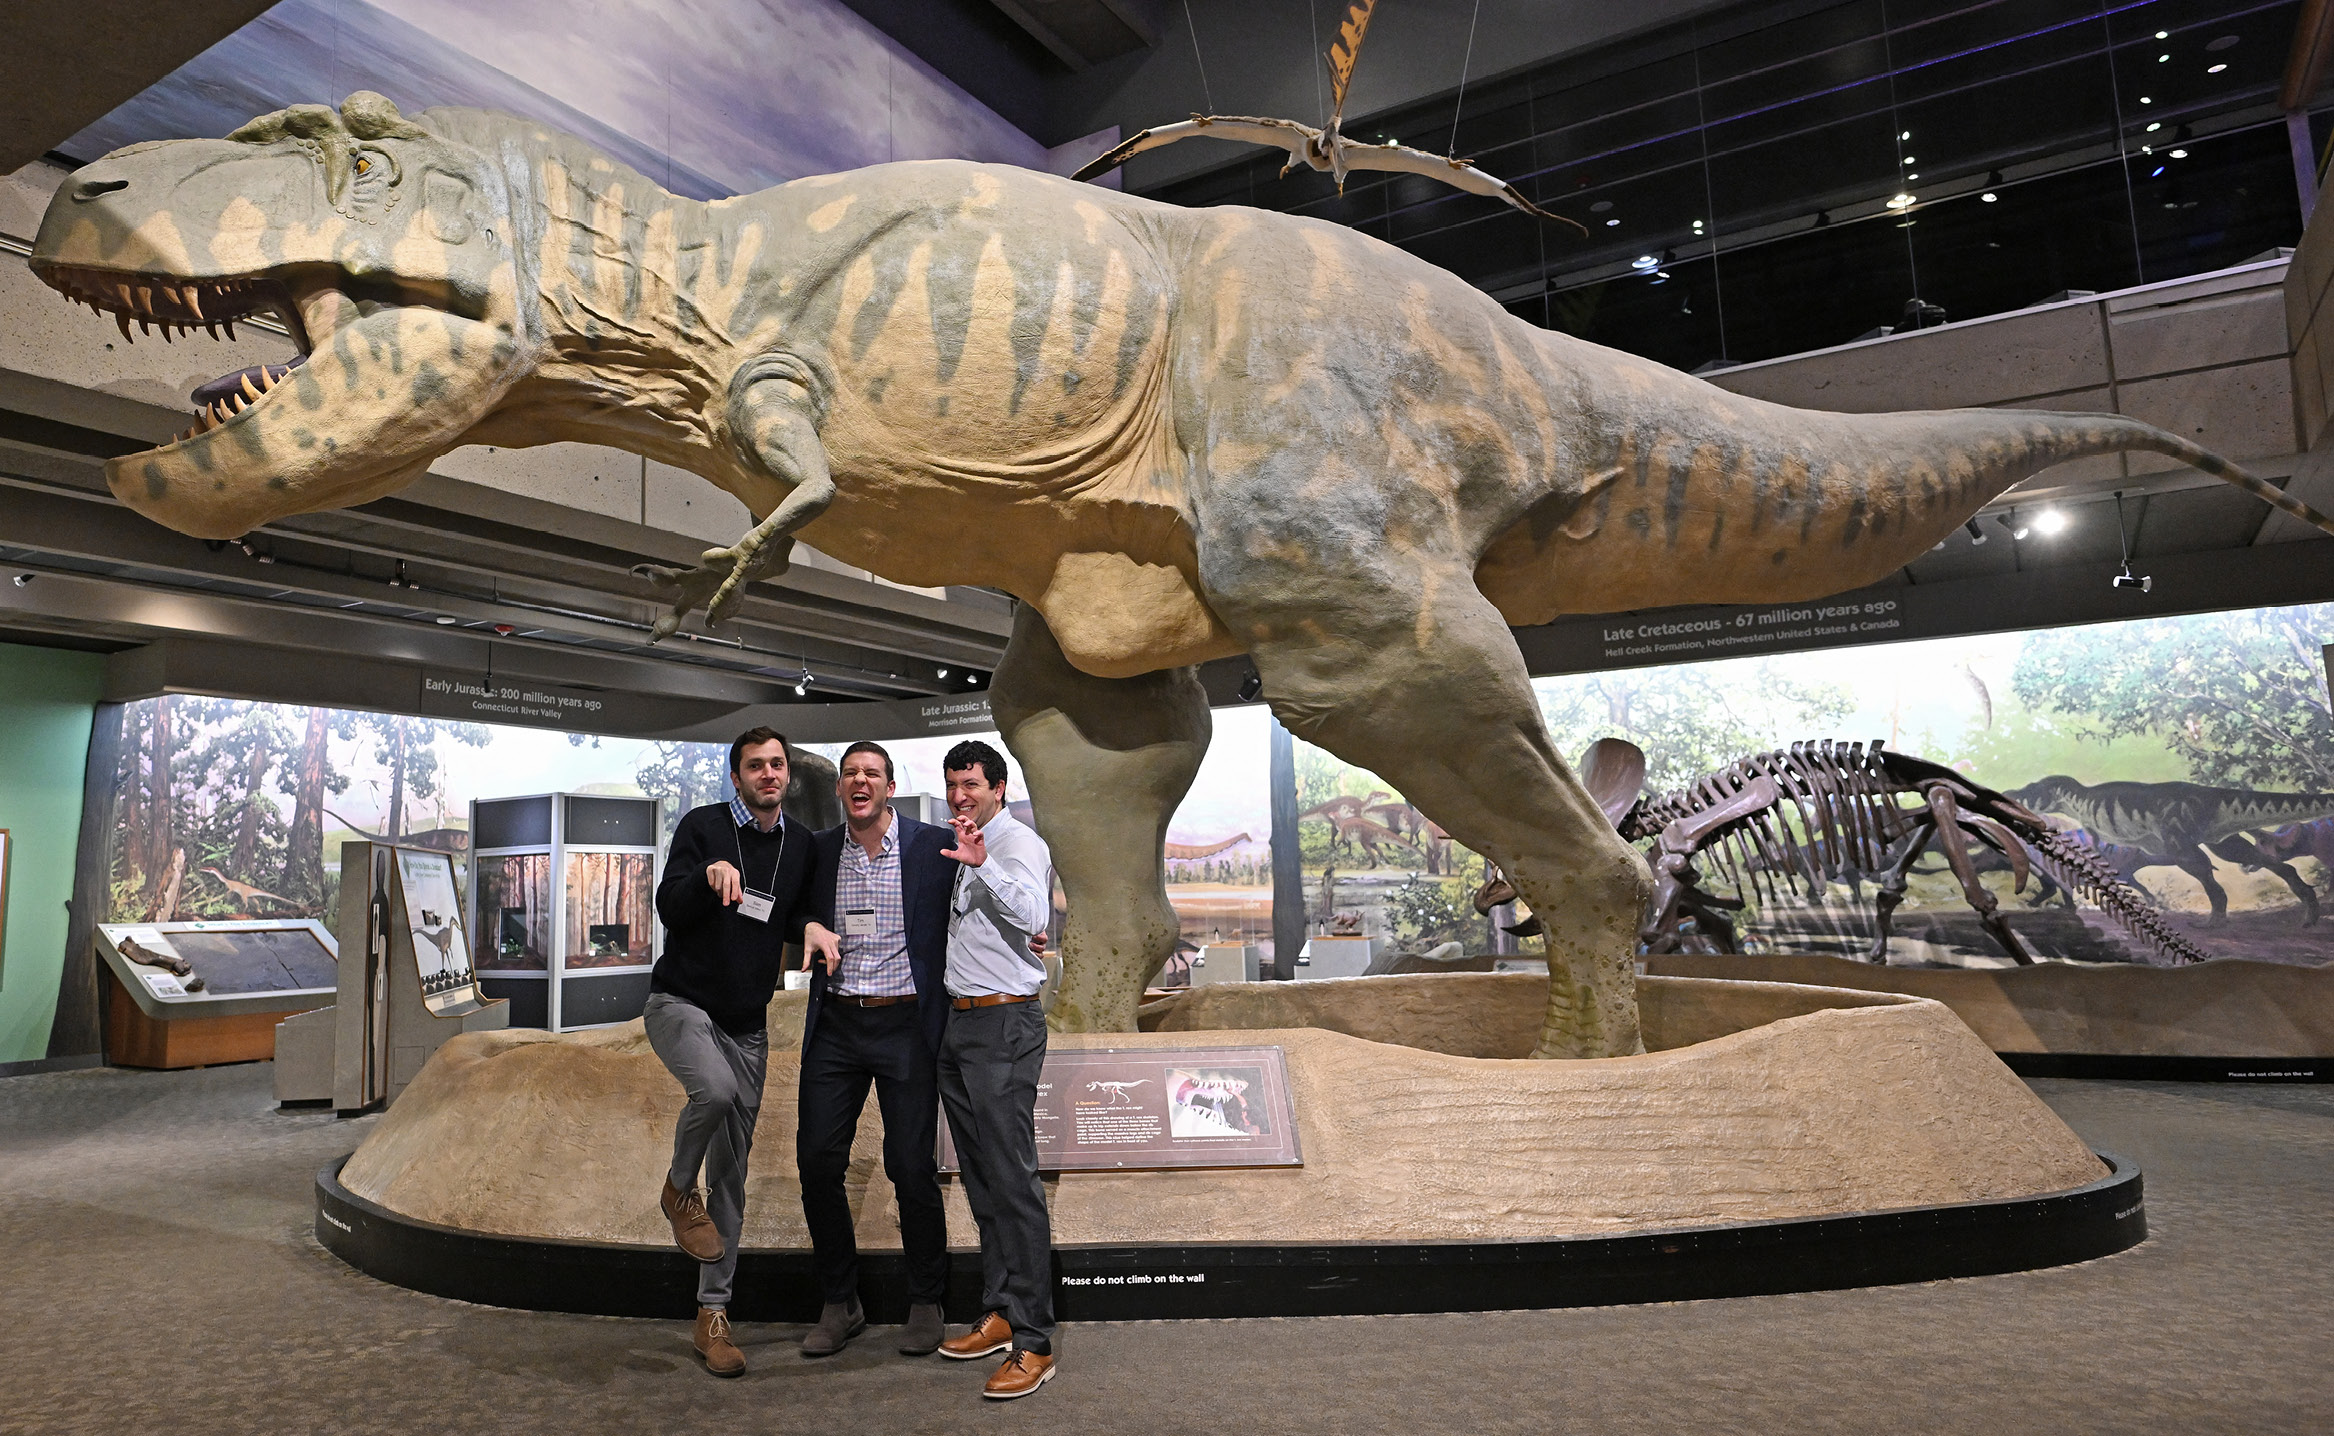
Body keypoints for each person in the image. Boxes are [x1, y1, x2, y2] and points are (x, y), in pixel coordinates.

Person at [646, 726, 823, 1379]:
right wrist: (704, 877)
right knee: (712, 1091)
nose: (769, 774)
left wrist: (815, 930)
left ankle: (712, 1317)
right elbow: (669, 906)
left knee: (734, 1173)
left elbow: (796, 913)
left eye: (777, 764)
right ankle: (675, 1189)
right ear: (736, 774)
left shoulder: (799, 844)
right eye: (756, 766)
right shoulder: (702, 826)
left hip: (750, 1025)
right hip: (682, 1005)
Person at [791, 742, 957, 1358]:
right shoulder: (817, 851)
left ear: (889, 787)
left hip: (906, 1026)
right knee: (816, 1162)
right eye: (850, 774)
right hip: (836, 1024)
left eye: (872, 774)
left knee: (911, 1167)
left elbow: (973, 904)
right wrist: (803, 925)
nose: (861, 782)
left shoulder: (931, 848)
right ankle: (841, 1303)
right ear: (840, 789)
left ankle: (925, 1300)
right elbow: (790, 912)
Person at [930, 740, 1060, 1400]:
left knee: (1013, 1182)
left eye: (971, 784)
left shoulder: (1014, 844)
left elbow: (1038, 917)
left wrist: (987, 867)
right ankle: (1005, 1310)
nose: (960, 794)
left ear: (999, 788)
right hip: (962, 1026)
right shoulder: (969, 841)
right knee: (983, 1180)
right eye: (953, 783)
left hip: (1004, 1026)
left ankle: (1036, 1342)